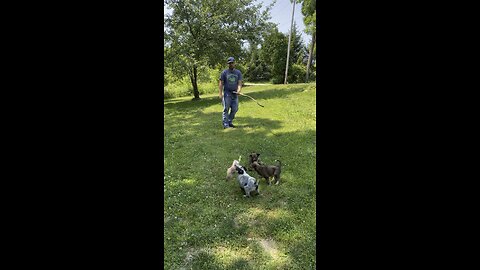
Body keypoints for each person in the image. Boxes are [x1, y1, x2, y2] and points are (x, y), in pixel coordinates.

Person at [219, 57, 243, 129]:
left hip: (235, 94)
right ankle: (226, 125)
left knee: (235, 109)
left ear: (234, 63)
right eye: (229, 63)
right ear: (228, 64)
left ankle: (229, 121)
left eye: (232, 63)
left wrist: (239, 90)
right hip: (227, 94)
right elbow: (221, 83)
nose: (231, 64)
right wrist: (220, 93)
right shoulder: (224, 73)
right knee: (226, 109)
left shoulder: (238, 73)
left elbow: (239, 83)